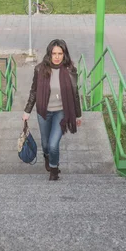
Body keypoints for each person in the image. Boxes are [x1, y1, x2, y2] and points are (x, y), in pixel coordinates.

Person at [22, 39, 82, 181]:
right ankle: (47, 157)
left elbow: (75, 94)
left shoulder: (70, 70)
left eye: (60, 53)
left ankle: (54, 169)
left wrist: (78, 115)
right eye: (54, 53)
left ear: (64, 54)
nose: (56, 57)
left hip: (61, 112)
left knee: (53, 144)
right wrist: (27, 111)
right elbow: (34, 92)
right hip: (44, 111)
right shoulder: (39, 69)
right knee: (45, 144)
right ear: (49, 54)